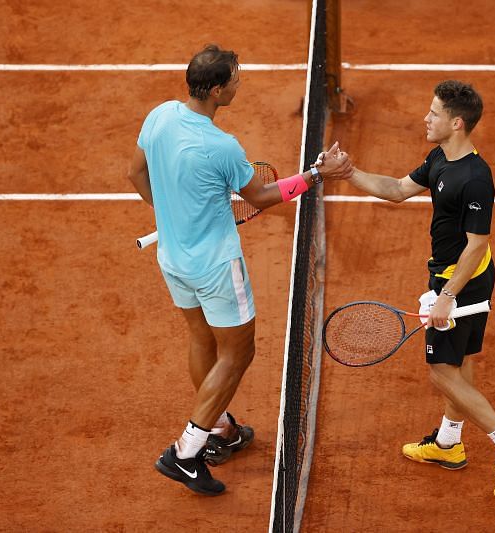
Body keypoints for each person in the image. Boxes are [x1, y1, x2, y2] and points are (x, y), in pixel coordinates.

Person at [127, 44, 352, 496]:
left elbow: (135, 174)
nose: (239, 83)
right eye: (234, 78)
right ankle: (187, 451)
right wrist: (315, 174)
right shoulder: (221, 147)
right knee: (239, 352)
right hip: (215, 267)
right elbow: (264, 197)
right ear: (214, 90)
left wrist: (172, 214)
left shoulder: (159, 115)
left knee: (201, 338)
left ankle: (220, 430)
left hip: (172, 257)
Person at [326, 80, 495, 498]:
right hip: (456, 278)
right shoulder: (440, 157)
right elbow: (398, 190)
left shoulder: (476, 178)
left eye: (435, 113)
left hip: (463, 281)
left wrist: (447, 296)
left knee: (441, 373)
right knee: (458, 364)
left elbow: (476, 243)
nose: (426, 118)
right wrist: (348, 173)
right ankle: (448, 443)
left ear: (456, 122)